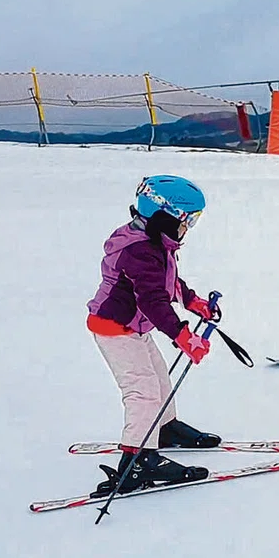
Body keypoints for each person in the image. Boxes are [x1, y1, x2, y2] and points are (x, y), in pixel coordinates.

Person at [86, 175, 221, 496]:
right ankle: (138, 461)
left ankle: (165, 427)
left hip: (133, 327)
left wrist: (192, 301)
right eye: (188, 220)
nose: (189, 228)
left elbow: (167, 281)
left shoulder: (154, 242)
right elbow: (152, 300)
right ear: (165, 215)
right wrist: (183, 336)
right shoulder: (140, 251)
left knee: (160, 380)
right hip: (115, 329)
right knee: (143, 393)